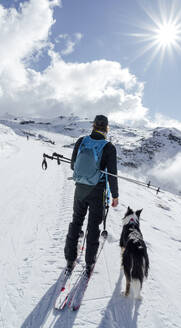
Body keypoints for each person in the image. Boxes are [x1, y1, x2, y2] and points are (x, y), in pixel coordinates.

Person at [64, 115, 119, 277]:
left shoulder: (82, 141)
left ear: (93, 126)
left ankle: (69, 259)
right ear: (106, 128)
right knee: (93, 226)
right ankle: (89, 263)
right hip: (97, 191)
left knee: (76, 221)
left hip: (80, 188)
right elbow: (112, 175)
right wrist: (115, 196)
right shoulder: (109, 147)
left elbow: (73, 165)